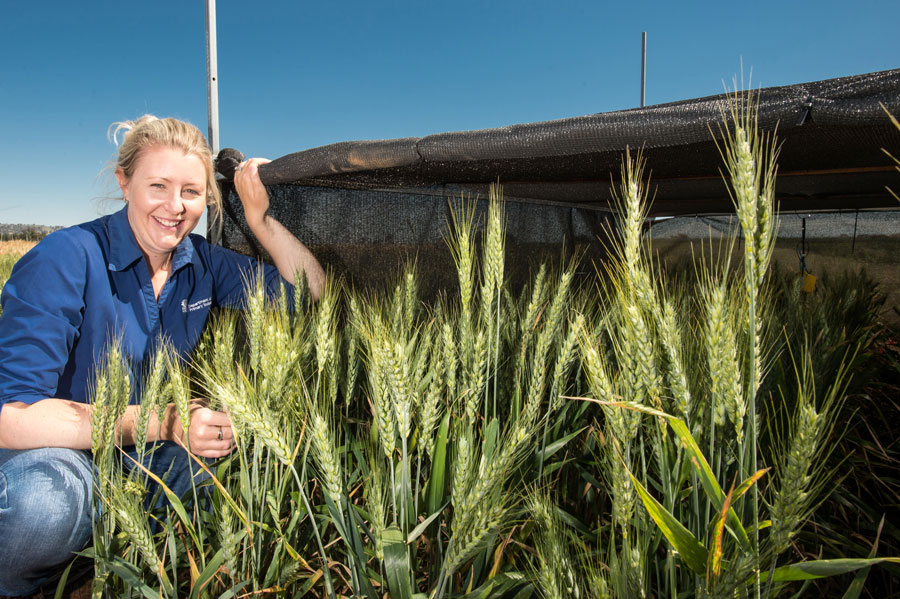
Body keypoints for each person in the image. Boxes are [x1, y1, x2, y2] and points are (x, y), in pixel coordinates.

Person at [0, 115, 324, 596]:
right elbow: (14, 419)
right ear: (124, 181)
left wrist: (260, 220)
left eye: (192, 193)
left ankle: (105, 568)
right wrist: (164, 421)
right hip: (58, 457)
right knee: (47, 508)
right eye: (158, 186)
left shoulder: (203, 262)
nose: (175, 207)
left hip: (145, 457)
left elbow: (310, 290)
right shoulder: (65, 256)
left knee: (242, 491)